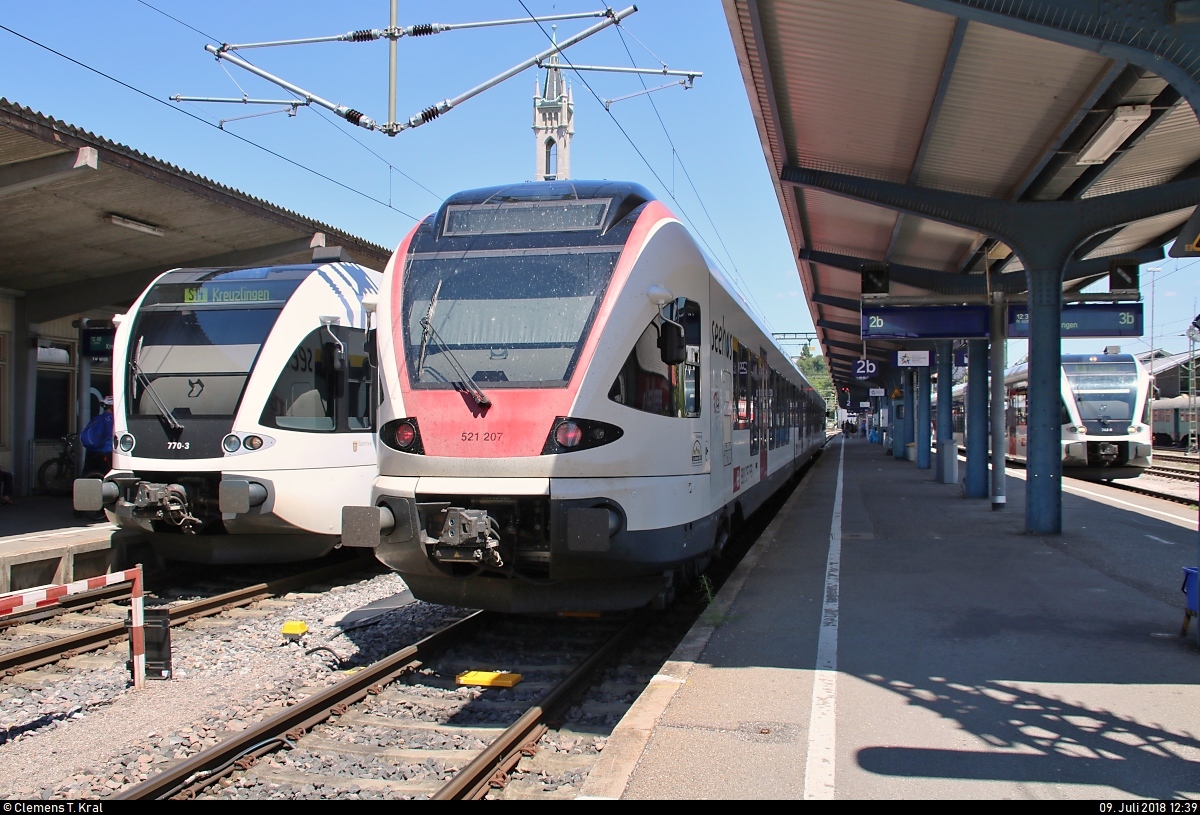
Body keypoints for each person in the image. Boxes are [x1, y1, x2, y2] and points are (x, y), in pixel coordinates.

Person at [80, 396, 115, 472]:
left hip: (90, 451)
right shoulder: (111, 419)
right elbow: (109, 435)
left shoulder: (97, 418)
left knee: (89, 474)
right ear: (112, 407)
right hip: (104, 452)